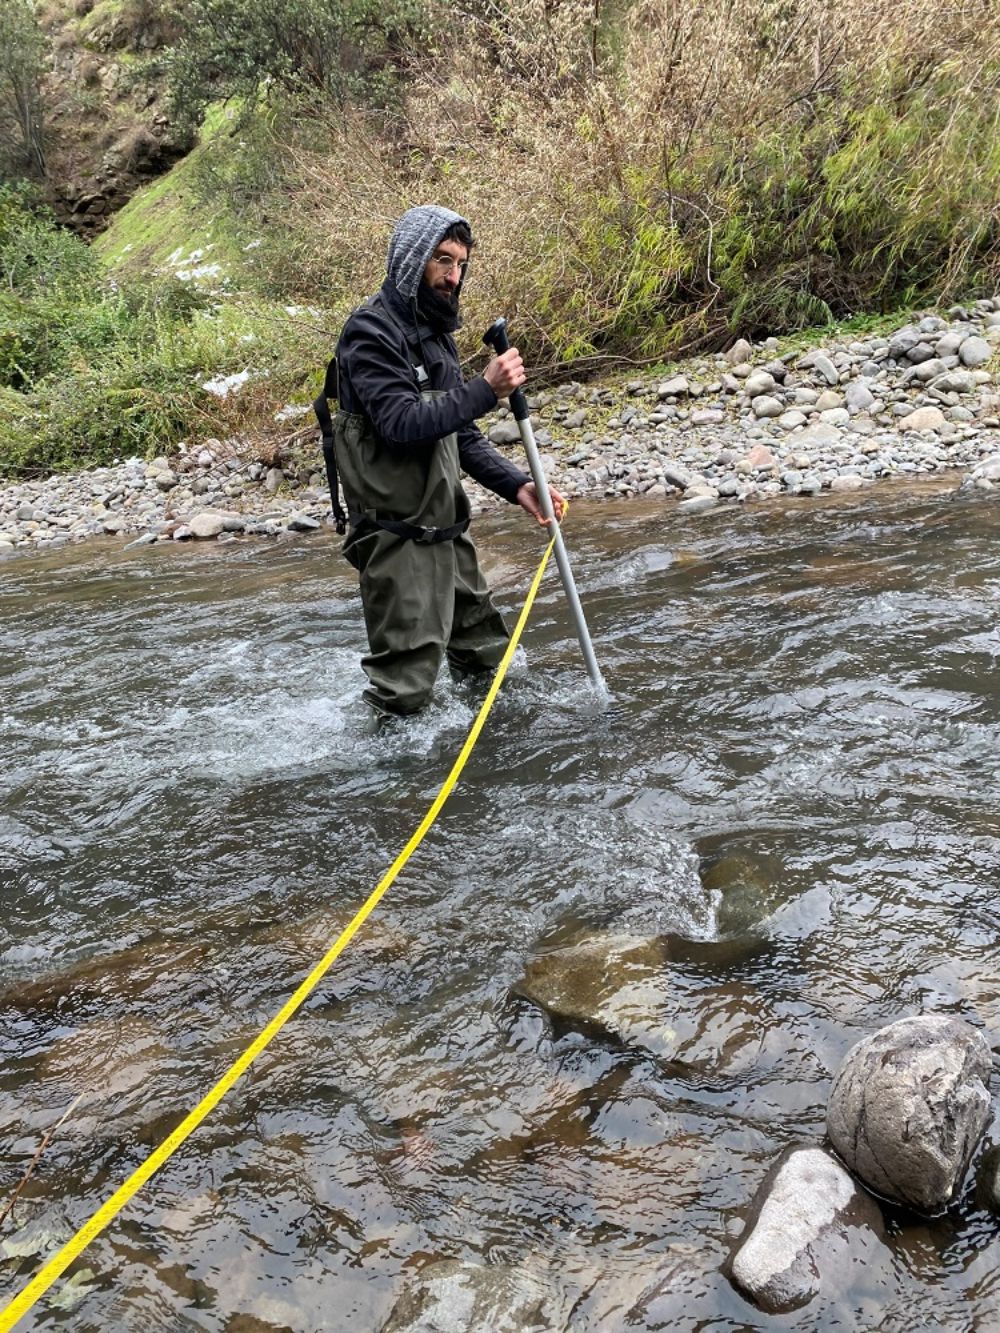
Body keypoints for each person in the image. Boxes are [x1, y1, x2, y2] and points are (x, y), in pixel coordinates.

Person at [328, 203, 565, 722]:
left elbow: (457, 431)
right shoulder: (369, 334)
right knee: (405, 696)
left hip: (447, 533)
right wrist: (487, 388)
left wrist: (518, 486)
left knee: (489, 664)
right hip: (395, 541)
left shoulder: (437, 337)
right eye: (442, 260)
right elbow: (401, 423)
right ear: (412, 259)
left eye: (459, 264)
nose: (453, 276)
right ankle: (393, 790)